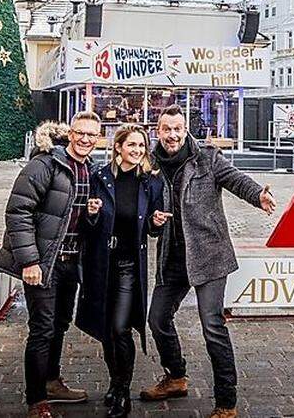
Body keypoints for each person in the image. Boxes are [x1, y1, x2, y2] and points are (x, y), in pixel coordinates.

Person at [141, 105, 276, 418]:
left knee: (212, 326)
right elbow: (143, 212)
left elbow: (235, 179)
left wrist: (258, 195)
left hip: (209, 255)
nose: (172, 135)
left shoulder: (207, 158)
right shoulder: (150, 165)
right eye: (166, 129)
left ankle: (226, 403)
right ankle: (176, 377)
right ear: (158, 131)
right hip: (172, 256)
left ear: (185, 129)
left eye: (177, 128)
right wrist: (152, 221)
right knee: (157, 319)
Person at [0, 113, 100, 418]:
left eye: (92, 135)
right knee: (42, 329)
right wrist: (29, 261)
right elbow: (18, 212)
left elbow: (76, 219)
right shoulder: (45, 165)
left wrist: (92, 212)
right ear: (70, 134)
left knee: (60, 325)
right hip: (43, 263)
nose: (85, 139)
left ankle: (52, 382)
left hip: (70, 263)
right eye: (80, 133)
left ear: (97, 139)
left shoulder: (89, 169)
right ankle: (36, 399)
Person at [77, 125, 171, 418]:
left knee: (120, 328)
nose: (137, 151)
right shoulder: (99, 177)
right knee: (107, 331)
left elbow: (153, 230)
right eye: (131, 145)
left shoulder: (150, 183)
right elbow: (87, 228)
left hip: (130, 265)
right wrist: (90, 215)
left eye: (141, 146)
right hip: (102, 265)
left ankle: (122, 392)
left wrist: (156, 223)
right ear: (118, 147)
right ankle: (114, 382)